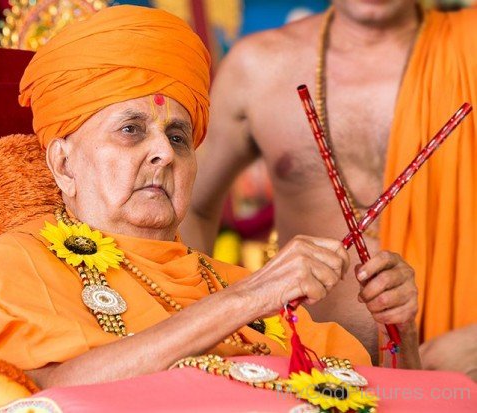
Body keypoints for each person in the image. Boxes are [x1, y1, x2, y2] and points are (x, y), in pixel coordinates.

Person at [0, 5, 420, 392]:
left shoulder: (239, 286)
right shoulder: (12, 265)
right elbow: (38, 395)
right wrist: (244, 301)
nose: (163, 151)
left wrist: (400, 331)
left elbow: (387, 397)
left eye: (179, 136)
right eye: (130, 130)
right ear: (63, 164)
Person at [181, 0, 477, 374]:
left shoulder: (470, 51)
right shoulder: (258, 67)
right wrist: (201, 327)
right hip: (299, 369)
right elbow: (192, 204)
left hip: (456, 374)